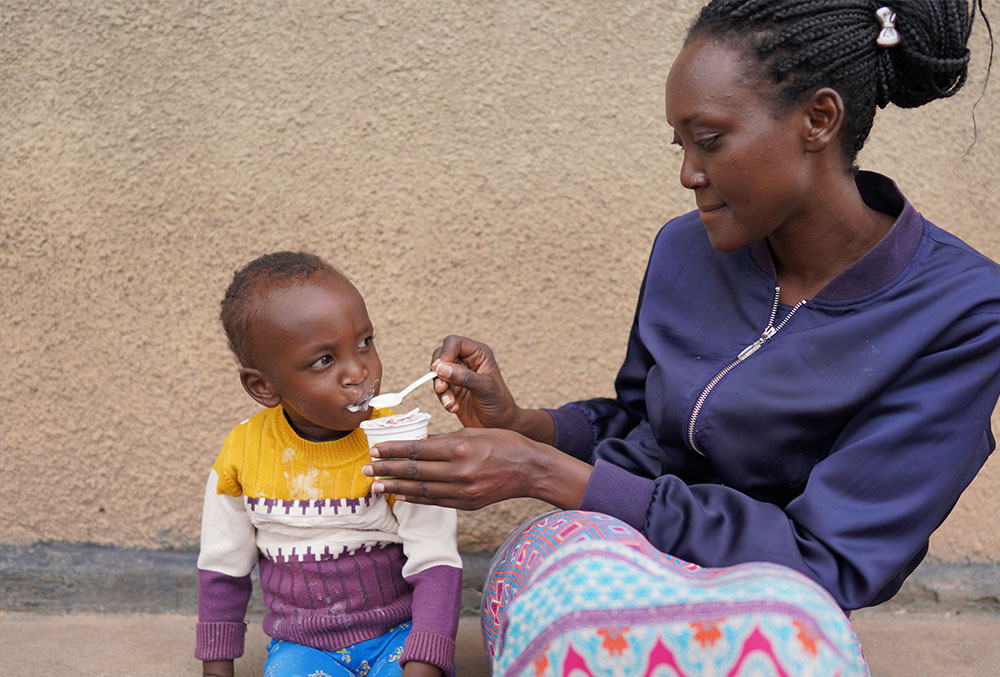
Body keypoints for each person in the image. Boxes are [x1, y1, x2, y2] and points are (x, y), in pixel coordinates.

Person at [363, 1, 1000, 674]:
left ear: (819, 118)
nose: (688, 173)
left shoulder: (961, 311)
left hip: (772, 598)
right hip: (596, 555)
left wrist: (539, 470)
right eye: (681, 144)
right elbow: (646, 426)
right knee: (579, 620)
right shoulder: (684, 249)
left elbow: (830, 559)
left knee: (779, 645)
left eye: (710, 138)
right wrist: (527, 427)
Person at [195, 252, 462, 677]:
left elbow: (436, 562)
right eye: (324, 360)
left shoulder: (400, 445)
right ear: (263, 386)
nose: (358, 372)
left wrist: (425, 661)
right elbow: (222, 569)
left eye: (364, 343)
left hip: (400, 637)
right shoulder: (243, 456)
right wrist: (216, 668)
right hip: (302, 648)